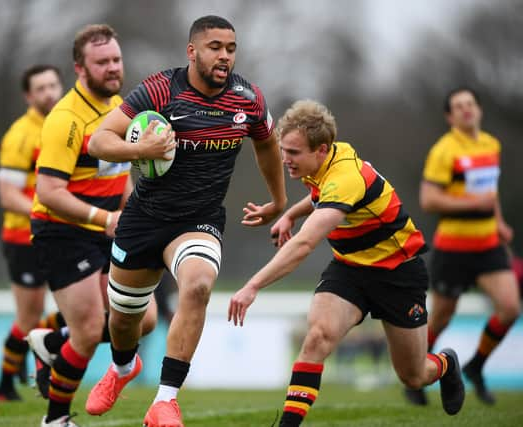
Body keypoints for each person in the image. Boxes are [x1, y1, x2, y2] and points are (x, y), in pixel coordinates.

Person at [86, 15, 286, 426]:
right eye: (215, 47)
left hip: (199, 220)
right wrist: (141, 148)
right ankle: (123, 368)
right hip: (143, 218)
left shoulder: (248, 98)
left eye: (231, 48)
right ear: (192, 51)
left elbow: (267, 144)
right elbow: (99, 140)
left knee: (197, 286)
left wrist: (278, 201)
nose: (225, 56)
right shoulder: (161, 89)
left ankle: (165, 401)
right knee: (124, 321)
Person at [228, 100, 465, 427]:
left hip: (398, 272)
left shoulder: (345, 178)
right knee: (317, 338)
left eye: (293, 153)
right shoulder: (324, 163)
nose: (285, 160)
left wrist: (252, 286)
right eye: (283, 150)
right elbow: (318, 195)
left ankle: (447, 365)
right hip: (350, 270)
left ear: (321, 150)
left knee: (413, 376)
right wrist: (291, 215)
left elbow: (305, 244)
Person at [28, 24, 157, 427]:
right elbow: (48, 192)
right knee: (86, 331)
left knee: (145, 318)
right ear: (80, 69)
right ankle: (56, 419)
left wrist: (130, 212)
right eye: (102, 62)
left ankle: (53, 342)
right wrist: (104, 219)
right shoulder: (65, 119)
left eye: (116, 60)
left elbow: (120, 173)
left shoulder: (118, 107)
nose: (113, 68)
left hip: (106, 227)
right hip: (61, 231)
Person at [405, 87, 520, 406]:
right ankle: (414, 373)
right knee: (441, 316)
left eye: (470, 104)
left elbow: (490, 192)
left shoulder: (491, 145)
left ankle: (476, 365)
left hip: (488, 245)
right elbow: (429, 199)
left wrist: (498, 223)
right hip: (454, 248)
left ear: (479, 110)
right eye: (458, 106)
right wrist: (473, 203)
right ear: (449, 116)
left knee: (510, 308)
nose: (466, 110)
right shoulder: (444, 151)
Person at [0, 64, 65, 402]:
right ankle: (5, 385)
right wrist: (50, 208)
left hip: (62, 234)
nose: (49, 92)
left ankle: (33, 348)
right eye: (41, 88)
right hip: (25, 238)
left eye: (53, 85)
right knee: (29, 316)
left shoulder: (66, 124)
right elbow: (8, 196)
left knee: (84, 305)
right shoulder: (20, 136)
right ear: (28, 95)